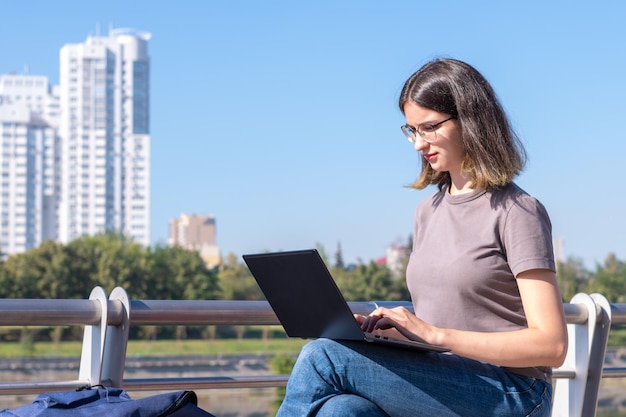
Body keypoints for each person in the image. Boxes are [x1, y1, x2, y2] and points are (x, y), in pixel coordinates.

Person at [275, 58, 568, 417]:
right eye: (411, 130)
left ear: (471, 120)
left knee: (322, 355)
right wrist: (395, 329)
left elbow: (551, 345)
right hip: (444, 378)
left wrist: (433, 335)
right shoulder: (426, 212)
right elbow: (445, 314)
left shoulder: (518, 210)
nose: (418, 144)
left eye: (429, 128)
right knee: (343, 410)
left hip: (514, 392)